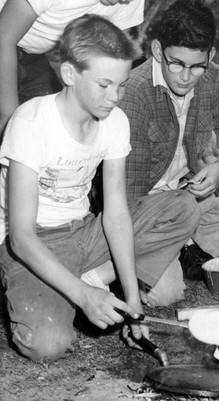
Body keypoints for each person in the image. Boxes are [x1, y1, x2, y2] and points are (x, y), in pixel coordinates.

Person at [0, 15, 148, 362]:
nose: (115, 97)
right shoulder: (30, 122)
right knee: (48, 345)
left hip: (82, 233)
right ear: (69, 74)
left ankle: (82, 281)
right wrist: (83, 296)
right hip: (34, 240)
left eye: (122, 84)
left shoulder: (115, 121)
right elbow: (20, 237)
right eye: (104, 84)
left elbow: (115, 213)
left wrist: (133, 301)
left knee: (179, 209)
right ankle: (73, 288)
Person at [119, 0, 219, 298]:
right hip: (146, 208)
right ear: (158, 50)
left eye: (197, 66)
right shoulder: (134, 93)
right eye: (176, 63)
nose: (186, 77)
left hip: (187, 193)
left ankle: (192, 250)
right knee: (165, 295)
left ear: (210, 56)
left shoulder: (214, 78)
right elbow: (126, 198)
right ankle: (159, 255)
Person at [0, 0, 145, 137]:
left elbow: (115, 62)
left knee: (53, 125)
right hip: (4, 39)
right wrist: (9, 115)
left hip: (33, 56)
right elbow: (3, 37)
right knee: (12, 122)